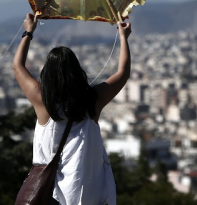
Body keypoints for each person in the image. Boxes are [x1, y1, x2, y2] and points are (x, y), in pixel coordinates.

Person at [13, 13, 132, 205]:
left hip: (53, 197)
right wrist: (123, 38)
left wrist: (28, 32)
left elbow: (18, 67)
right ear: (77, 72)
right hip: (90, 196)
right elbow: (123, 73)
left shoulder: (43, 103)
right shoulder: (92, 102)